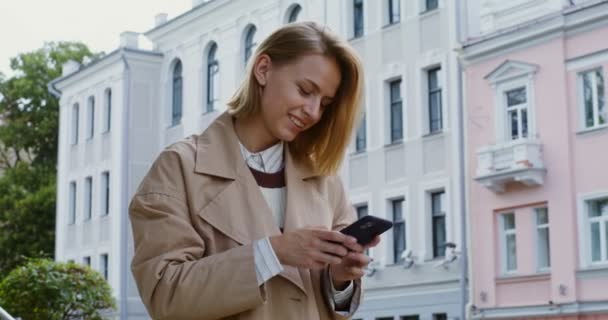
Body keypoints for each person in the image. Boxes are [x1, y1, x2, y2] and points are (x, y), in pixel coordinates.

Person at [129, 21, 380, 320]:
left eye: (324, 104)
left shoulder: (326, 181)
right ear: (263, 69)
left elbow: (332, 306)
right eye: (304, 90)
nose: (313, 112)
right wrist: (272, 253)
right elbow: (164, 295)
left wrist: (339, 278)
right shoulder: (179, 167)